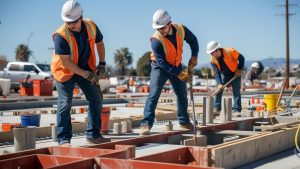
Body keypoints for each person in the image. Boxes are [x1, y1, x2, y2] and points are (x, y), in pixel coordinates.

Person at [51, 0, 109, 146]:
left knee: (96, 98)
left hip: (84, 67)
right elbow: (66, 62)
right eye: (68, 22)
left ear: (81, 18)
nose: (70, 25)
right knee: (65, 102)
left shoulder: (91, 26)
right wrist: (86, 74)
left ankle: (93, 135)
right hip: (64, 71)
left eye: (74, 22)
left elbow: (100, 44)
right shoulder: (60, 36)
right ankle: (63, 139)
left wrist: (101, 64)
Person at [140, 9, 199, 135]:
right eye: (158, 28)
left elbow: (193, 40)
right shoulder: (155, 40)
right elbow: (162, 64)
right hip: (159, 67)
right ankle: (146, 124)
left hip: (176, 65)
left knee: (182, 94)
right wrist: (179, 73)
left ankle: (184, 122)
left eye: (162, 28)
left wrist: (194, 56)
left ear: (169, 23)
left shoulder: (181, 29)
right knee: (154, 94)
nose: (160, 31)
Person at [207, 41, 245, 117]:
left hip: (235, 73)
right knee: (219, 89)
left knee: (236, 92)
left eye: (212, 52)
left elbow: (242, 58)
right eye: (210, 53)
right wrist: (219, 83)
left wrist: (239, 69)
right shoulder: (212, 59)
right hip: (224, 74)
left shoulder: (230, 51)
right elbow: (216, 72)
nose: (211, 54)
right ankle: (217, 107)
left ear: (217, 50)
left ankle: (237, 110)